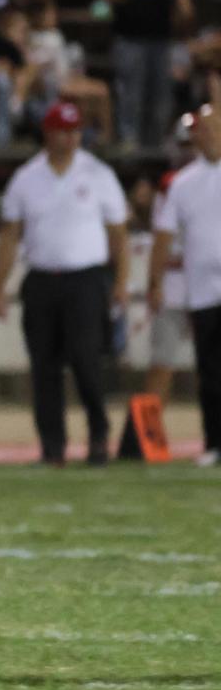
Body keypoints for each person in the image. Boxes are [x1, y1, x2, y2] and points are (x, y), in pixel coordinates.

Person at [0, 100, 129, 465]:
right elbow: (9, 235)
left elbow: (118, 234)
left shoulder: (98, 174)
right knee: (43, 367)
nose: (69, 138)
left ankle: (98, 436)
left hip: (85, 280)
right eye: (62, 131)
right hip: (41, 280)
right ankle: (52, 446)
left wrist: (121, 282)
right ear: (48, 133)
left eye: (74, 131)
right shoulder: (26, 177)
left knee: (86, 361)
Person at [148, 103, 221, 465]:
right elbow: (163, 236)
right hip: (202, 289)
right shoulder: (182, 183)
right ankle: (212, 443)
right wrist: (154, 282)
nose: (206, 136)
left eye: (211, 128)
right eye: (201, 131)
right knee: (207, 372)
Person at [102, 0, 193, 151]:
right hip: (130, 39)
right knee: (130, 93)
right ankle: (129, 140)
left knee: (161, 94)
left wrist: (184, 9)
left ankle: (157, 142)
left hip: (161, 41)